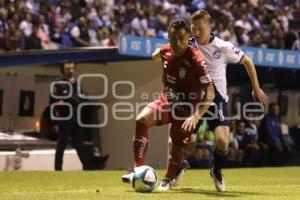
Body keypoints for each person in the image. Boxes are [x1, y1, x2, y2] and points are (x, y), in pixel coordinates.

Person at [121, 19, 215, 191]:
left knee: (177, 145)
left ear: (188, 37)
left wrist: (196, 115)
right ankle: (137, 169)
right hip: (167, 101)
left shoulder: (196, 60)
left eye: (181, 38)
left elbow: (210, 92)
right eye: (172, 39)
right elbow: (154, 56)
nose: (177, 43)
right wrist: (161, 51)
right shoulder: (167, 50)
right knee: (141, 120)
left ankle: (168, 178)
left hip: (187, 111)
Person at [188, 10, 269, 192]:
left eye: (200, 28)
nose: (196, 33)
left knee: (222, 142)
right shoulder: (187, 44)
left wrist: (256, 88)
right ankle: (175, 169)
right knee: (178, 139)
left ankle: (216, 171)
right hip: (195, 98)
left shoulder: (222, 46)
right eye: (193, 29)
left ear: (210, 27)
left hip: (217, 99)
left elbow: (247, 61)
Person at [50, 61, 108, 170]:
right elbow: (68, 97)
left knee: (79, 144)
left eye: (72, 68)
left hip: (76, 118)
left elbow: (83, 96)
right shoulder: (59, 83)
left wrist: (79, 98)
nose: (71, 71)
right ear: (63, 70)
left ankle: (88, 165)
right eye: (68, 69)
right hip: (64, 118)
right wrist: (78, 99)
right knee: (62, 144)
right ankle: (58, 168)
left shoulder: (76, 82)